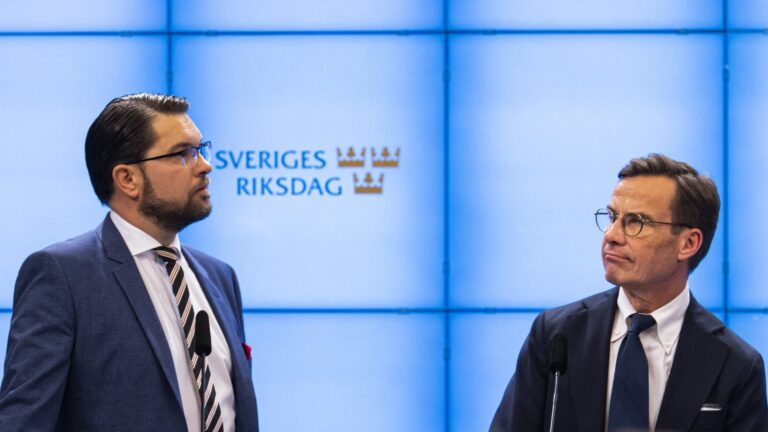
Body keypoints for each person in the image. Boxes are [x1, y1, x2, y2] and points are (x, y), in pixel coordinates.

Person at [0, 93, 259, 431]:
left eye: (202, 149)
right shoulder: (63, 276)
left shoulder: (221, 277)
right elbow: (24, 421)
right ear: (127, 179)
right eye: (184, 154)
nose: (205, 165)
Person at [490, 154, 767, 431]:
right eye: (612, 217)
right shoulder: (556, 335)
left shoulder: (736, 364)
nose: (611, 234)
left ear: (688, 243)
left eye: (636, 222)